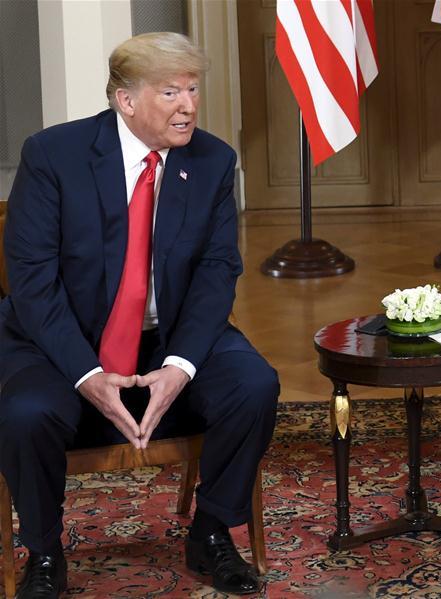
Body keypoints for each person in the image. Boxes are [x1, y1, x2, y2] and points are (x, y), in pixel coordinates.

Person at [0, 32, 279, 598]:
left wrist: (180, 364)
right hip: (61, 339)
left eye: (193, 89)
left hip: (165, 334)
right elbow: (32, 283)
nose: (188, 106)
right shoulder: (53, 155)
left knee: (253, 386)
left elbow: (217, 273)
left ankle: (210, 531)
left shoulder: (213, 160)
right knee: (26, 412)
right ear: (125, 100)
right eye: (170, 91)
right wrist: (86, 372)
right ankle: (45, 552)